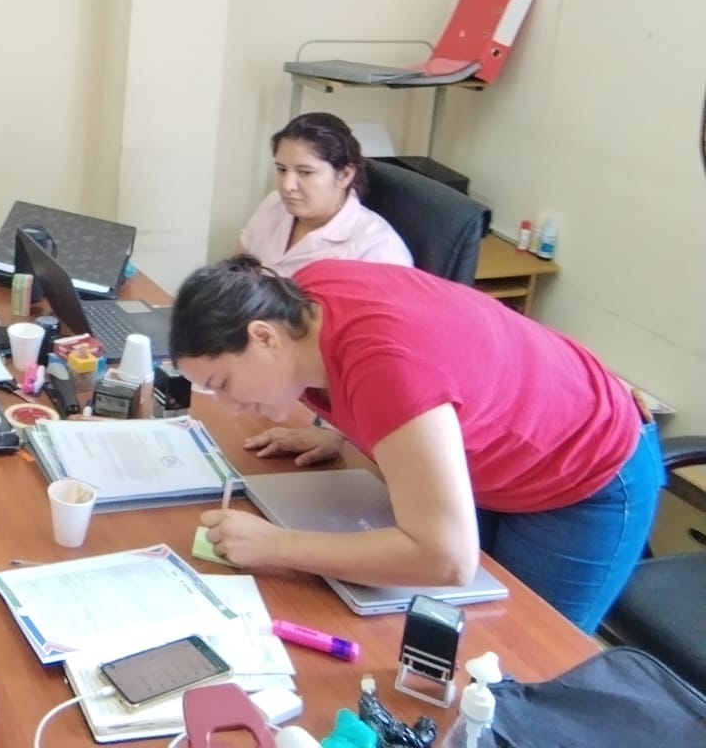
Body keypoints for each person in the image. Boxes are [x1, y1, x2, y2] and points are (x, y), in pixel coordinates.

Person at [171, 255, 662, 633]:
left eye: (224, 383)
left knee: (523, 662)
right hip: (500, 453)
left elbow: (446, 559)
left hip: (587, 469)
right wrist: (348, 430)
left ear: (263, 337)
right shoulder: (302, 304)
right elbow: (425, 368)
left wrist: (277, 546)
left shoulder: (387, 370)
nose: (230, 406)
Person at [237, 113, 411, 276]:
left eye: (305, 172)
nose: (287, 186)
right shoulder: (275, 203)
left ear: (345, 175)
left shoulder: (378, 250)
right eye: (282, 170)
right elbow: (236, 269)